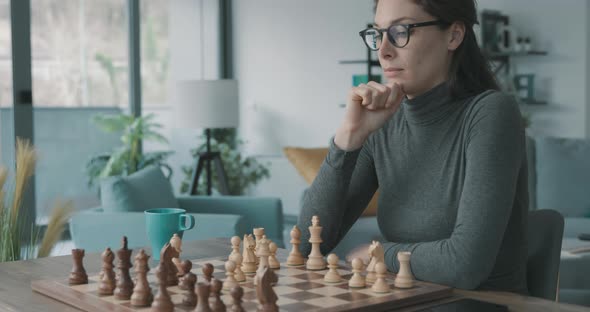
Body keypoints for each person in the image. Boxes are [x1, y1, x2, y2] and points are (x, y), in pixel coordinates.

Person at [296, 0, 528, 294]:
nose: (383, 51)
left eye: (401, 31)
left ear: (454, 36)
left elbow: (465, 266)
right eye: (378, 34)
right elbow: (304, 243)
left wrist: (378, 254)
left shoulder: (491, 112)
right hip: (403, 300)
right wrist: (348, 139)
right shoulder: (384, 125)